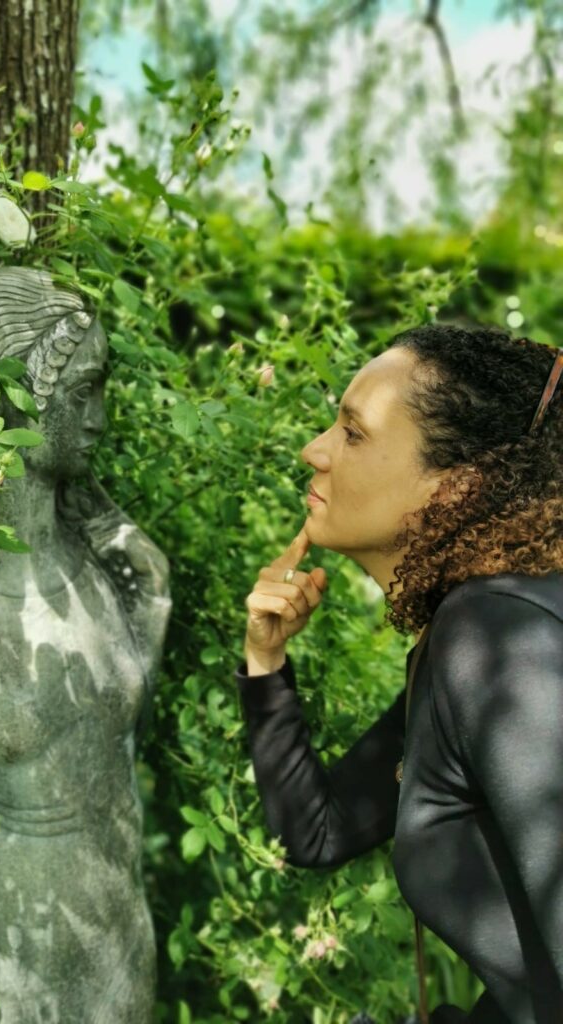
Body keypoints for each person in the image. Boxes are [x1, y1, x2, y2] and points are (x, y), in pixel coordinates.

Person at [236, 323, 563, 1023]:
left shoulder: (497, 636)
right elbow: (319, 831)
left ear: (457, 486)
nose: (314, 449)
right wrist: (265, 661)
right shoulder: (477, 632)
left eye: (353, 433)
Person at [0, 267, 171, 1023]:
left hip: (119, 920)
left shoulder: (106, 576)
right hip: (18, 937)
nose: (100, 418)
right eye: (84, 391)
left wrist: (153, 600)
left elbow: (122, 749)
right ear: (18, 398)